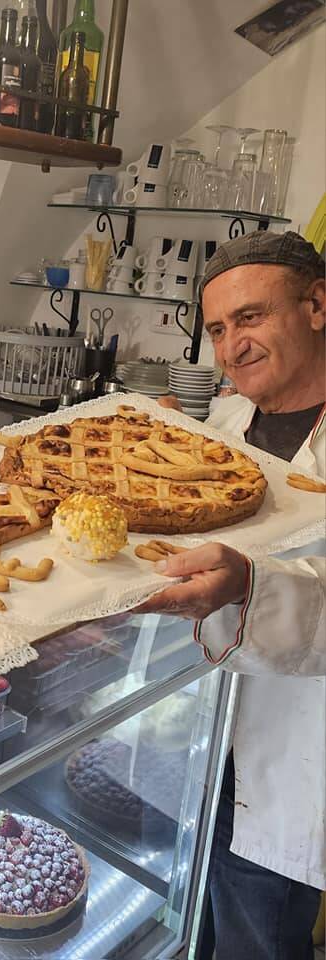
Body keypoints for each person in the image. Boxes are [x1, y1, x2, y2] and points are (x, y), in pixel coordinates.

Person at [138, 231, 325, 960]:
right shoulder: (216, 431)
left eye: (249, 318)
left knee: (257, 938)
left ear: (315, 305)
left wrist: (256, 587)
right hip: (188, 748)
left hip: (290, 759)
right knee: (183, 922)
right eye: (217, 329)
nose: (230, 347)